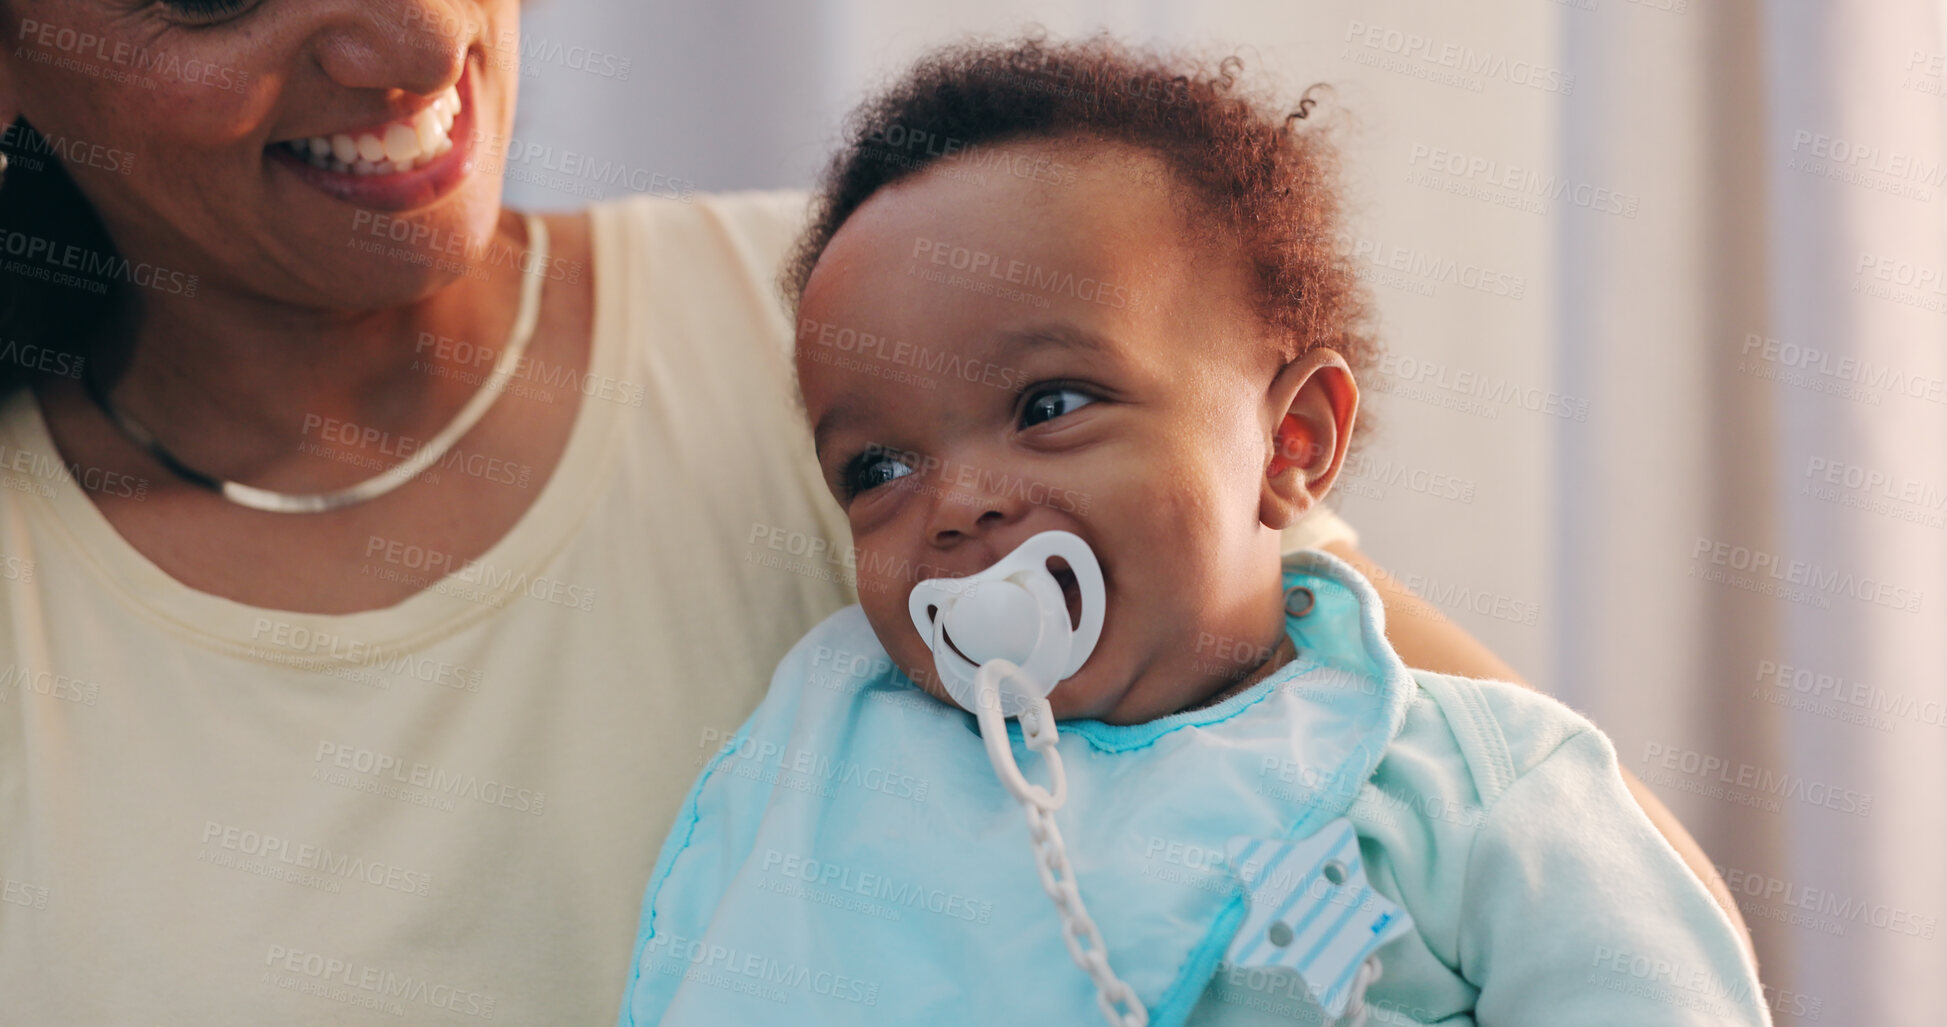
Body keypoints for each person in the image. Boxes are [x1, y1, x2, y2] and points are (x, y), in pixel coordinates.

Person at [0, 4, 1739, 1023]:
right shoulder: (834, 671)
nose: (397, 37)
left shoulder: (889, 305)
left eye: (1052, 411)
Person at [620, 37, 1767, 1027]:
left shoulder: (1465, 785)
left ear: (1292, 443)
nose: (958, 500)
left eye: (1051, 405)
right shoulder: (827, 765)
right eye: (878, 467)